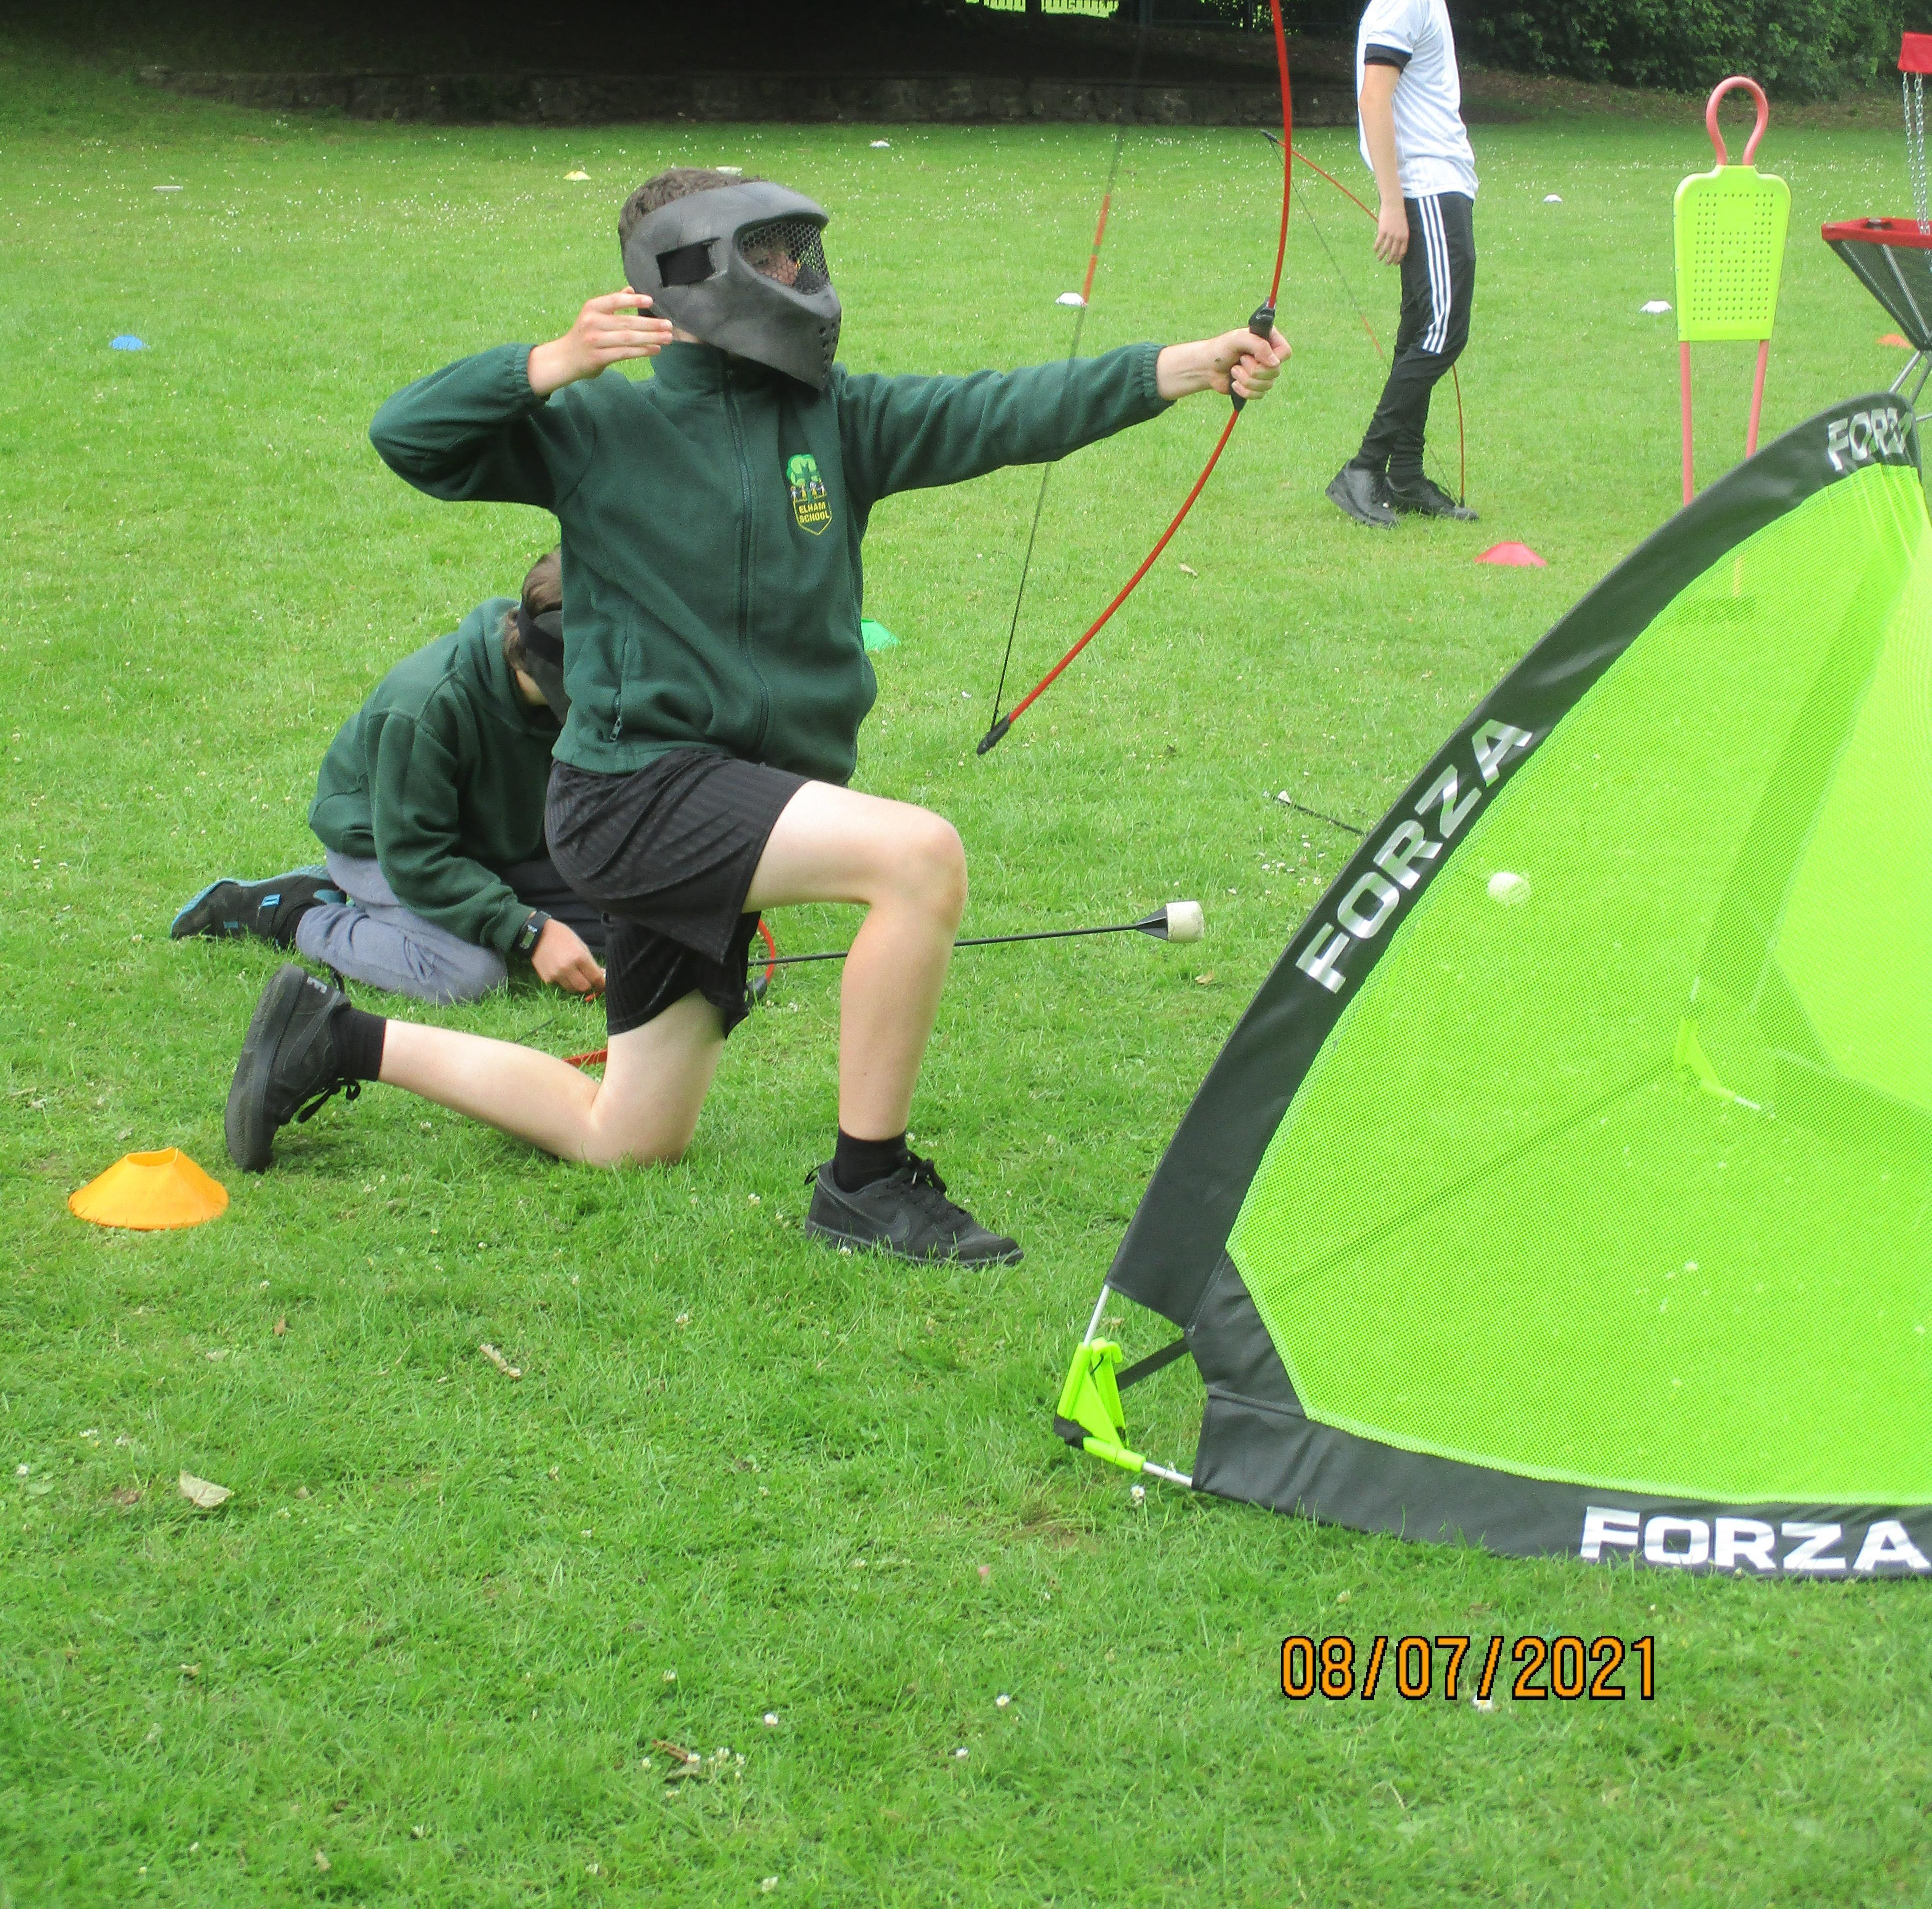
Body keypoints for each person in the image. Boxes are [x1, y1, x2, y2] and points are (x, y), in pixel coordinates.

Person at [220, 166, 1289, 1266]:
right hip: (632, 795)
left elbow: (1003, 410)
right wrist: (546, 365)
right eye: (766, 253)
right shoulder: (599, 424)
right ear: (685, 274)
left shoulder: (835, 418)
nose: (794, 273)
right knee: (917, 858)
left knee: (628, 1134)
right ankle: (867, 1185)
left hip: (733, 806)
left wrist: (1187, 366)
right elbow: (409, 435)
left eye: (799, 250)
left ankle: (333, 1037)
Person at [175, 551, 608, 1004]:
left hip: (496, 846)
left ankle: (478, 900)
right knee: (468, 975)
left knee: (631, 917)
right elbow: (415, 860)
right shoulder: (423, 708)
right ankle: (298, 913)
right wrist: (530, 931)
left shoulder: (575, 678)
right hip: (388, 850)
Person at [1326, 0, 1488, 528]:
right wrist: (1392, 202)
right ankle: (1364, 469)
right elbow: (1375, 99)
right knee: (1444, 332)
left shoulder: (1428, 0)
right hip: (1426, 188)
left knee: (1424, 330)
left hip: (1441, 186)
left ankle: (1407, 475)